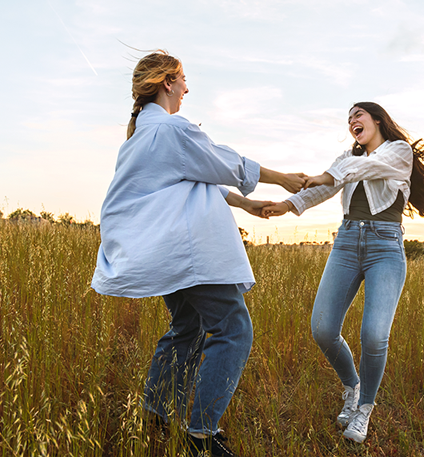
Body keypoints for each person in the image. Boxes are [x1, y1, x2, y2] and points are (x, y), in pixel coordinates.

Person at [91, 50, 307, 457]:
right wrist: (281, 179)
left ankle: (156, 411)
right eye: (184, 80)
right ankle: (202, 435)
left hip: (162, 251)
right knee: (234, 330)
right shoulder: (172, 130)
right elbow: (222, 162)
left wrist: (245, 205)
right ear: (168, 82)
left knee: (187, 328)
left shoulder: (141, 138)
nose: (188, 88)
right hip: (187, 251)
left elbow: (186, 179)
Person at [261, 102, 424, 443]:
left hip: (386, 247)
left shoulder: (398, 152)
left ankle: (364, 407)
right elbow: (325, 187)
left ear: (376, 120)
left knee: (375, 335)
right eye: (349, 118)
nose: (352, 121)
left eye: (358, 115)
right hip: (347, 243)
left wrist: (327, 174)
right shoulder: (346, 161)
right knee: (322, 329)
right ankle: (352, 387)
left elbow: (364, 168)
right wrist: (286, 206)